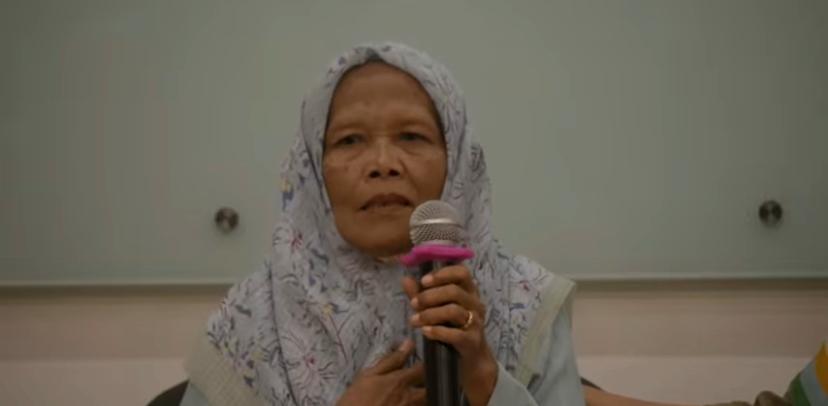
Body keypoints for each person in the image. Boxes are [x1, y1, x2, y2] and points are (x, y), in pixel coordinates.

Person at [180, 42, 585, 405]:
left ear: (457, 160)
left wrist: (486, 378)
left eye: (411, 136)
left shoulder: (525, 302)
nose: (383, 164)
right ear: (313, 170)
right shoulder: (252, 320)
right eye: (349, 140)